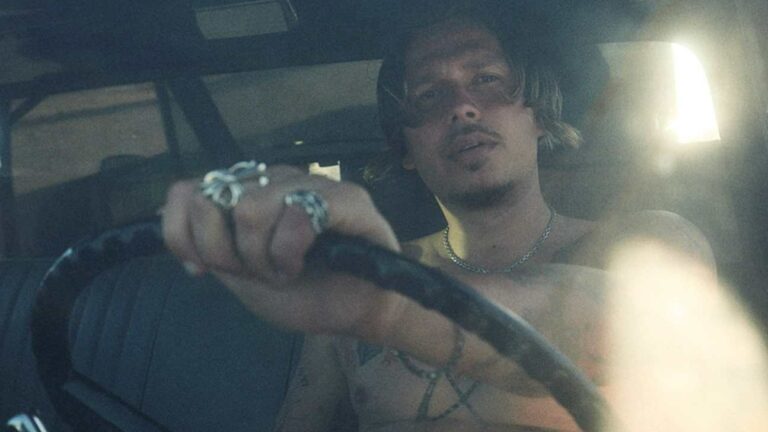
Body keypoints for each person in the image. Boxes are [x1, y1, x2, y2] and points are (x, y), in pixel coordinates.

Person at [162, 2, 716, 431]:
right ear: (406, 146)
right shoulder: (351, 273)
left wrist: (387, 304)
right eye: (429, 95)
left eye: (487, 79)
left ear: (539, 116)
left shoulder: (647, 244)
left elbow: (612, 333)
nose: (461, 107)